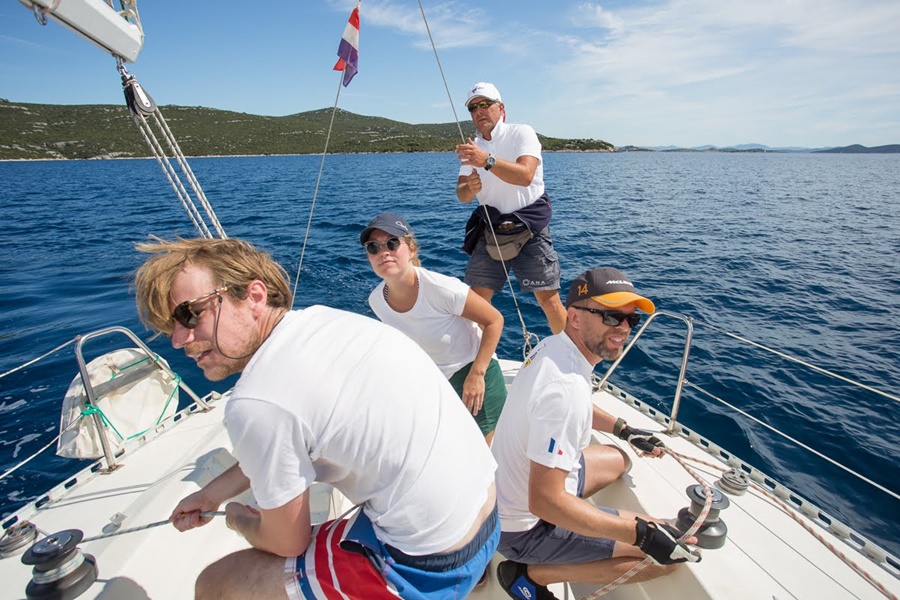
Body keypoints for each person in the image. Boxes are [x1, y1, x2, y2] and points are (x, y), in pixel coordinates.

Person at [132, 236, 499, 600]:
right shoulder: (324, 322)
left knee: (216, 583)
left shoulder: (257, 402)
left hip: (429, 569)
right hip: (488, 520)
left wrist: (237, 517)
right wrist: (212, 494)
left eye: (190, 314)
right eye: (171, 327)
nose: (180, 339)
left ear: (255, 296)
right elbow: (286, 445)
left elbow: (287, 542)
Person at [490, 267, 700, 600]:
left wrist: (625, 430)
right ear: (574, 317)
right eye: (611, 318)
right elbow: (544, 501)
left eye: (630, 320)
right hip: (523, 529)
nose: (624, 329)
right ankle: (528, 575)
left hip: (510, 489)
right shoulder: (564, 389)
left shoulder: (557, 350)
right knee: (665, 559)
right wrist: (640, 533)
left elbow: (578, 408)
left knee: (619, 459)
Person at [361, 212, 507, 444]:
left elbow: (494, 320)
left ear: (411, 250)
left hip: (475, 376)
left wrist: (477, 375)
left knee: (486, 456)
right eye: (373, 247)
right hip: (435, 382)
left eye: (392, 243)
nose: (383, 252)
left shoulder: (441, 289)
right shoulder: (377, 301)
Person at [455, 82, 567, 336]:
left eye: (485, 104)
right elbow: (461, 195)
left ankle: (574, 361)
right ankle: (472, 360)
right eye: (473, 107)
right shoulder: (473, 147)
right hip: (491, 230)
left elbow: (526, 175)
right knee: (476, 303)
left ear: (500, 108)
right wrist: (470, 188)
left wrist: (487, 161)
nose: (479, 111)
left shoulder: (522, 133)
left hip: (530, 229)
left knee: (549, 301)